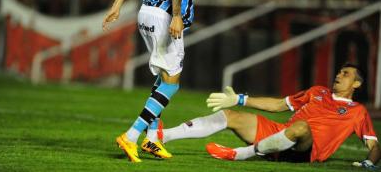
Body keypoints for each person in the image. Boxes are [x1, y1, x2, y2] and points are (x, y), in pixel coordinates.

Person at [102, 0, 210, 163]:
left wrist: (116, 6)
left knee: (163, 76)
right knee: (172, 84)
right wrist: (177, 15)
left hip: (145, 13)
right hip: (164, 16)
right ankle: (131, 136)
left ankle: (152, 138)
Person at [158, 63, 380, 169]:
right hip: (279, 136)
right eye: (340, 71)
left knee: (301, 126)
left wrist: (369, 163)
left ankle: (240, 155)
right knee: (230, 115)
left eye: (346, 74)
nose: (339, 75)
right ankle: (164, 136)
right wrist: (240, 99)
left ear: (357, 84)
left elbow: (374, 145)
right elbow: (277, 105)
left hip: (305, 149)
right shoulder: (317, 92)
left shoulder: (357, 111)